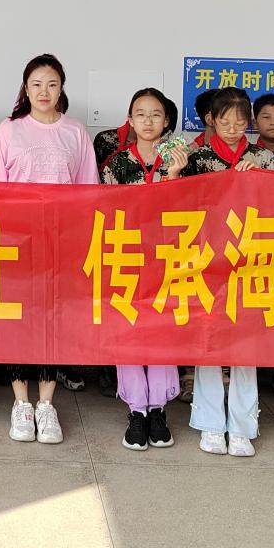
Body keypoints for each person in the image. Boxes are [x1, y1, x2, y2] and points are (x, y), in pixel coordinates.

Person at [0, 53, 98, 444]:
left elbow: (88, 191)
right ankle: (21, 403)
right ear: (25, 88)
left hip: (61, 243)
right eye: (36, 84)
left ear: (62, 87)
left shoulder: (75, 132)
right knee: (20, 321)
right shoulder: (10, 130)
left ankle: (47, 404)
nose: (44, 91)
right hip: (18, 242)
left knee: (53, 322)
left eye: (52, 84)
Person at [170, 87, 271, 457]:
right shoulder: (196, 157)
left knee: (247, 345)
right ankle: (211, 423)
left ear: (249, 122)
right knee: (209, 342)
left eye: (239, 122)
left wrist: (262, 178)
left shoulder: (264, 156)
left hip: (251, 258)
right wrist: (175, 171)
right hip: (207, 260)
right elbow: (172, 204)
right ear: (211, 119)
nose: (232, 128)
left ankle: (243, 426)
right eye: (225, 121)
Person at [101, 87, 182, 450]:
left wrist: (174, 174)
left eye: (156, 114)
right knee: (130, 330)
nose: (148, 121)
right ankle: (136, 409)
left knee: (163, 330)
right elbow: (104, 211)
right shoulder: (116, 164)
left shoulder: (181, 158)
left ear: (166, 121)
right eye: (141, 114)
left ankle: (158, 409)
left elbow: (192, 208)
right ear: (130, 121)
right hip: (128, 256)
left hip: (168, 257)